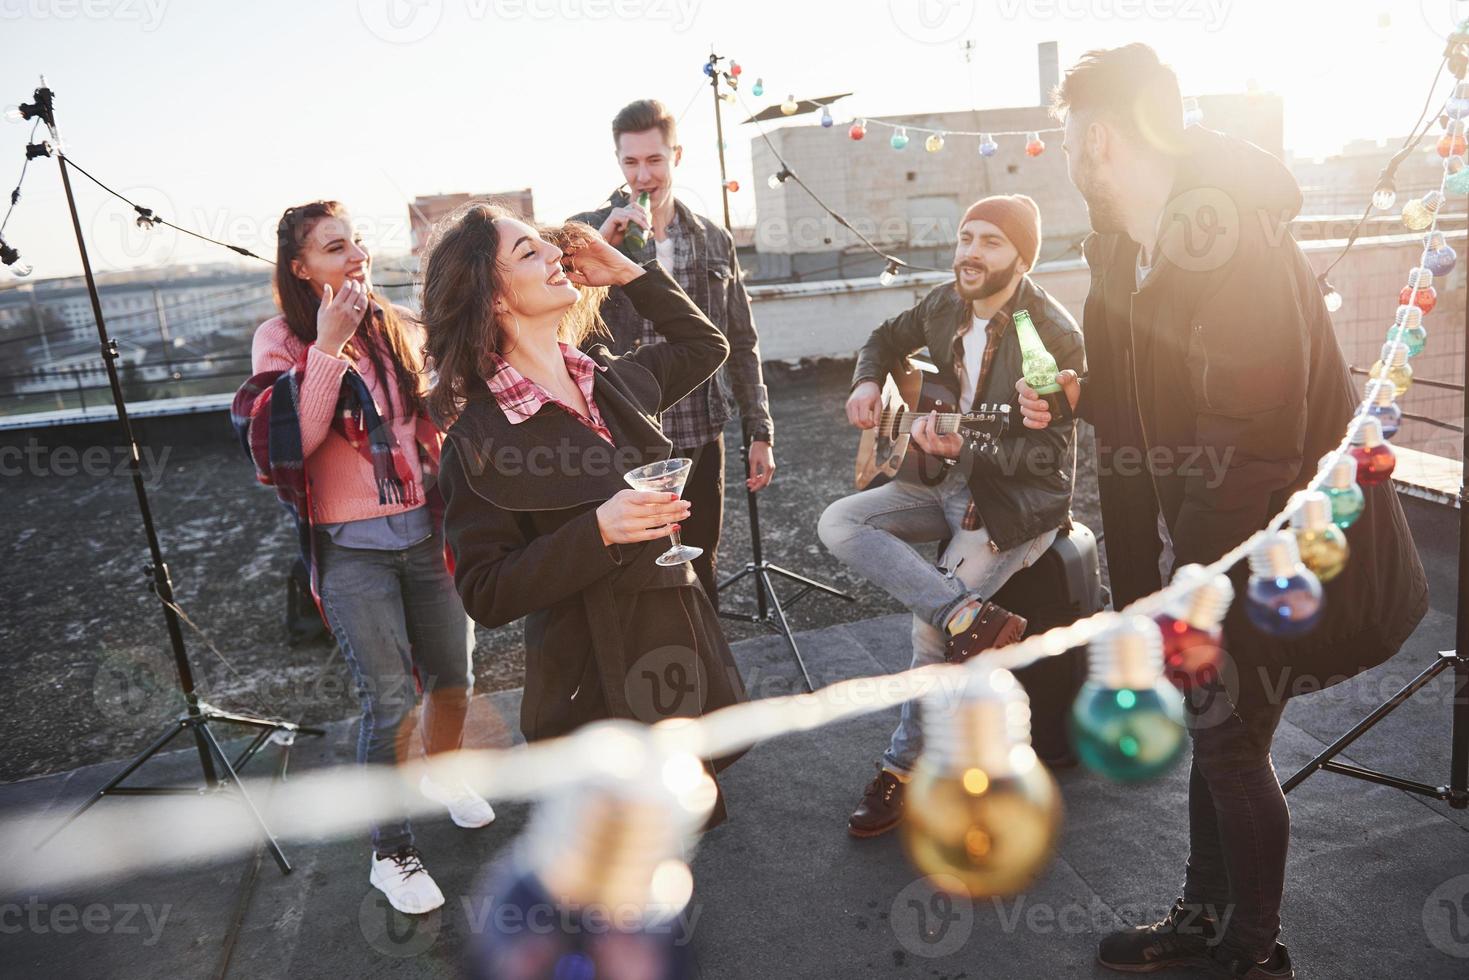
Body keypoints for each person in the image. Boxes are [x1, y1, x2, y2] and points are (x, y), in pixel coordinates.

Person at [1018, 44, 1428, 979]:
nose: (1072, 159)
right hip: (1211, 546)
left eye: (1072, 139)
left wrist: (1192, 578)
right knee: (1219, 736)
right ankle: (1206, 920)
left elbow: (1253, 442)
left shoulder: (1228, 238)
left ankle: (1250, 952)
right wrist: (1081, 397)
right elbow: (1145, 399)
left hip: (1262, 545)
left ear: (1103, 137)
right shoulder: (1135, 245)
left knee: (1230, 744)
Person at [424, 205, 747, 822]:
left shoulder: (606, 381)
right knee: (612, 865)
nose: (553, 254)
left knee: (674, 836)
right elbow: (486, 592)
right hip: (590, 679)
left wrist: (629, 271)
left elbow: (707, 343)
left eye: (547, 246)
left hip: (672, 648)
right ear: (493, 298)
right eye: (527, 253)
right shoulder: (478, 438)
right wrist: (599, 532)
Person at [233, 201, 491, 916]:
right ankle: (392, 850)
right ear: (300, 266)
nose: (355, 257)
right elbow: (289, 444)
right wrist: (327, 349)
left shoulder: (396, 324)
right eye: (334, 247)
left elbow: (443, 402)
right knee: (388, 702)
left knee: (452, 682)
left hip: (425, 533)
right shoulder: (281, 339)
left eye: (357, 243)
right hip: (352, 554)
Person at [817, 195, 1085, 838]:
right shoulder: (944, 303)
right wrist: (865, 381)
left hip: (1014, 503)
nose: (971, 251)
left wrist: (970, 444)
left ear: (1022, 256)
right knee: (839, 523)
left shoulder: (1051, 333)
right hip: (934, 480)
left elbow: (1048, 454)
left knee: (929, 638)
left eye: (991, 241)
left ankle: (901, 770)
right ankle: (969, 613)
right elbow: (884, 339)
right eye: (966, 236)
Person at [570, 98, 776, 609]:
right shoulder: (586, 232)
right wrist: (598, 247)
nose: (644, 174)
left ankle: (708, 675)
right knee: (634, 571)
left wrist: (761, 429)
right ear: (618, 162)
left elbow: (740, 339)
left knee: (699, 561)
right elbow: (559, 323)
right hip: (622, 434)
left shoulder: (711, 239)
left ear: (676, 156)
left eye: (654, 160)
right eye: (631, 162)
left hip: (700, 430)